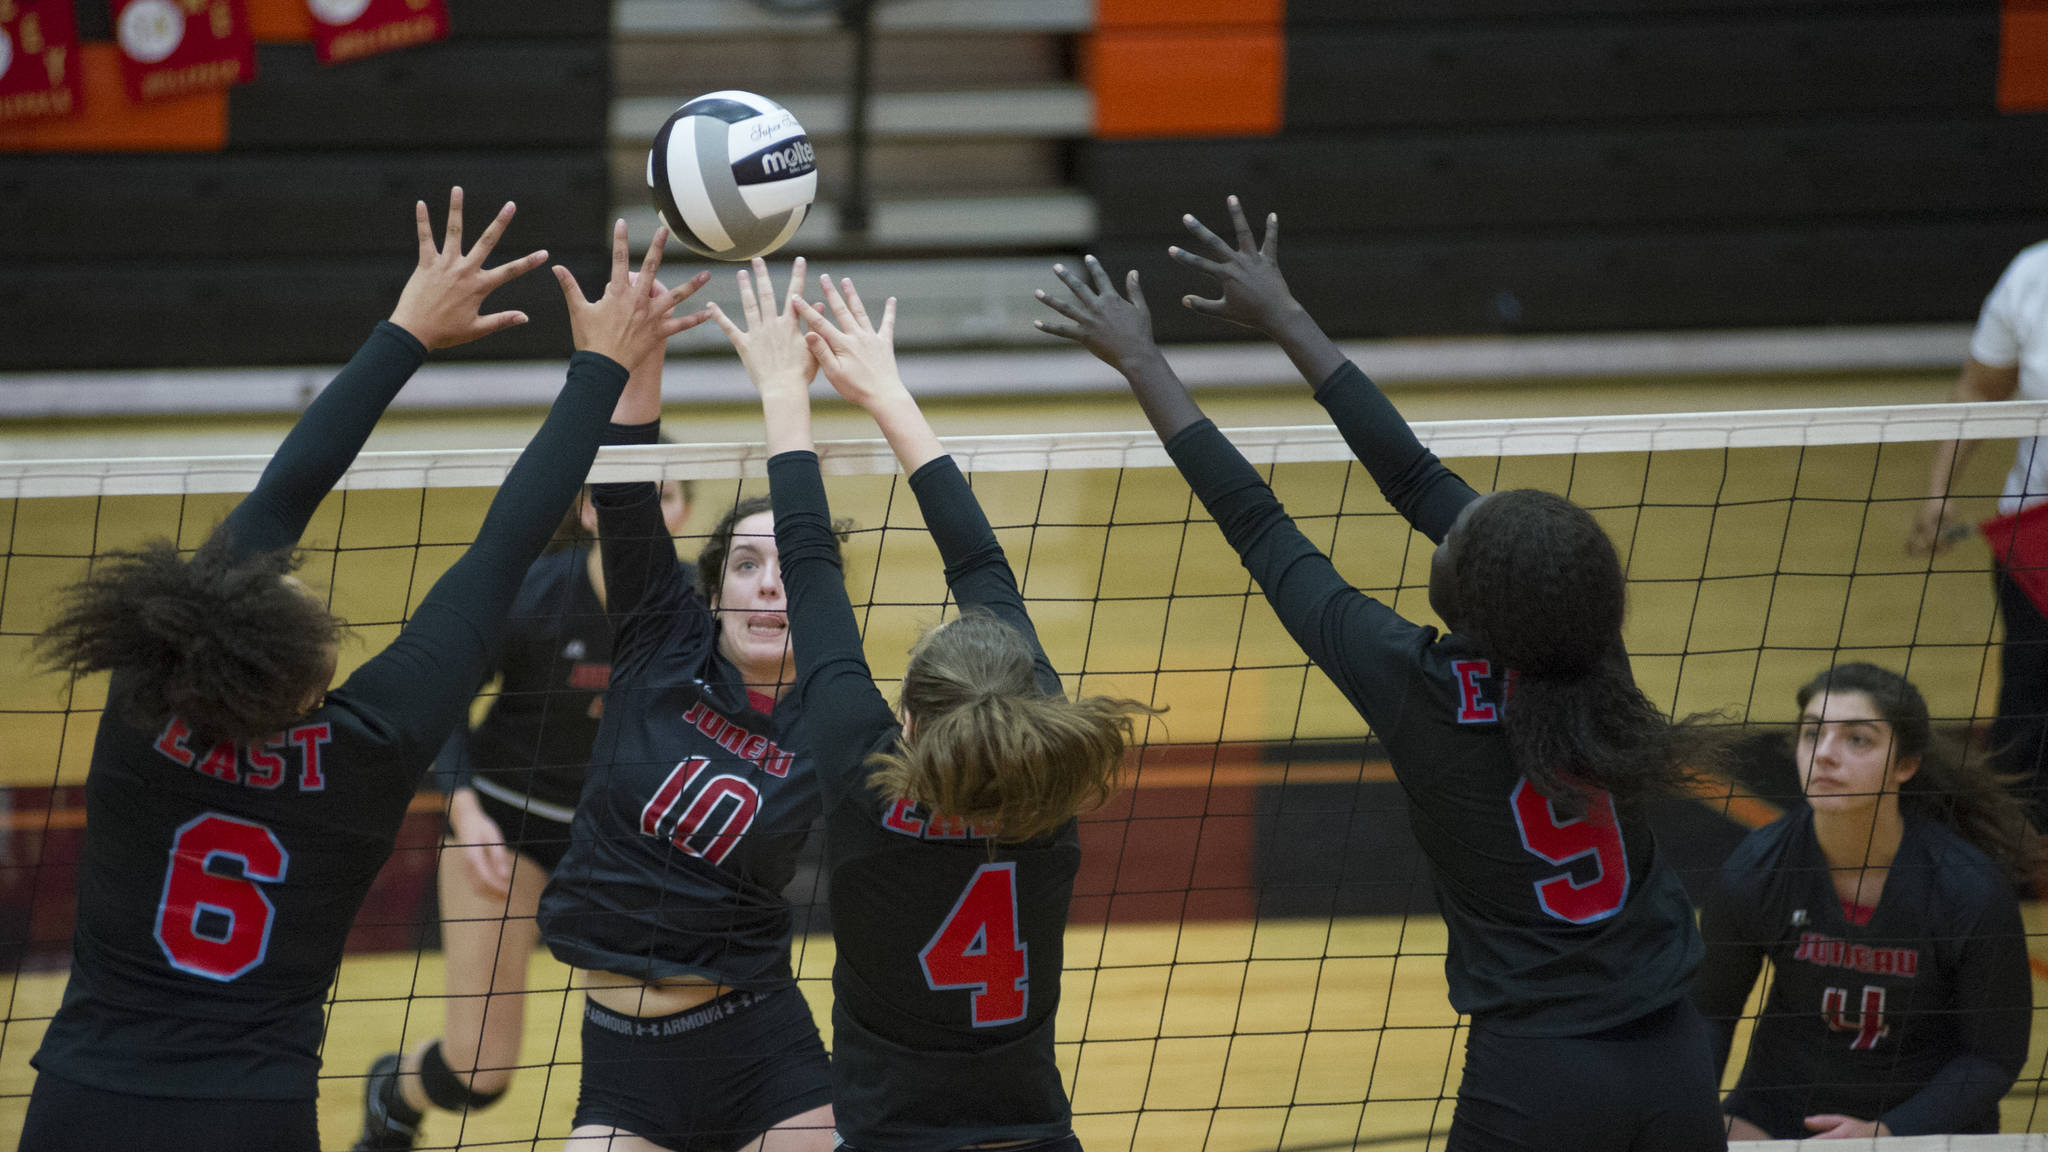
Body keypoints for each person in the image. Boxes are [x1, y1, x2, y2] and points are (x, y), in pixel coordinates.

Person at [20, 191, 706, 1152]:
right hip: (253, 1113)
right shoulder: (363, 752)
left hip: (84, 1097)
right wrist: (598, 369)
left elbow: (286, 490)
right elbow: (503, 547)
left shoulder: (145, 703)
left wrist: (405, 333)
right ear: (302, 672)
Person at [1035, 199, 1726, 1151]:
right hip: (1674, 1052)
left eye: (1465, 534)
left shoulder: (1415, 688)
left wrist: (1146, 362)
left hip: (1537, 1070)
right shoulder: (1587, 637)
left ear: (1467, 602)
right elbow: (1413, 474)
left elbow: (1261, 524)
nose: (1457, 515)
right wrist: (1284, 316)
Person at [748, 271, 1158, 1152]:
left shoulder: (867, 787)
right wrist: (885, 392)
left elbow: (813, 571)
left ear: (908, 720)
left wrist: (790, 394)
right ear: (1028, 705)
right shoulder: (1050, 782)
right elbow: (972, 567)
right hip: (1034, 1137)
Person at [534, 258, 841, 1152]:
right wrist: (639, 352)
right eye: (748, 565)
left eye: (790, 567)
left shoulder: (834, 709)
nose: (771, 587)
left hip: (761, 1045)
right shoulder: (661, 640)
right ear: (714, 593)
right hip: (622, 1064)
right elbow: (627, 486)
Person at [352, 469, 694, 1148]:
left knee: (684, 1037)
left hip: (622, 842)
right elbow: (437, 703)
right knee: (478, 1072)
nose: (647, 508)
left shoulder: (699, 605)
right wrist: (465, 811)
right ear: (589, 510)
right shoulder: (533, 592)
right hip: (507, 830)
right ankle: (396, 1090)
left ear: (683, 513)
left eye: (667, 493)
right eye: (628, 493)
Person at [1691, 662, 2032, 1140]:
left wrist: (1888, 1132)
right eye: (1813, 734)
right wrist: (1695, 1115)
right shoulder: (1757, 870)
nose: (1825, 755)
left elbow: (1992, 1057)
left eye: (1858, 739)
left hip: (1923, 1121)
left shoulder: (1967, 888)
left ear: (1905, 764)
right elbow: (1710, 1012)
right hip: (1780, 1111)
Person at [1909, 239, 2048, 825]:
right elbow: (1981, 387)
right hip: (2038, 531)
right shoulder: (2033, 273)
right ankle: (2022, 838)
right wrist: (1940, 491)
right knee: (2029, 693)